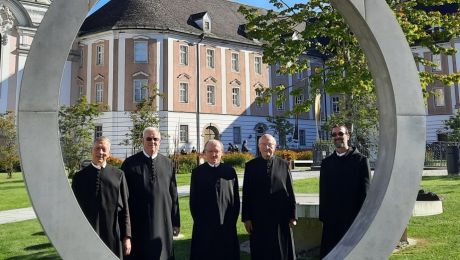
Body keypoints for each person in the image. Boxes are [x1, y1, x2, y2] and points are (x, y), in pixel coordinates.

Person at [121, 127, 180, 260]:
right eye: (148, 138)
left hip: (163, 223)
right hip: (138, 224)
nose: (152, 141)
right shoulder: (129, 164)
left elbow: (174, 195)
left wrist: (176, 222)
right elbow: (124, 199)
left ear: (160, 141)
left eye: (155, 139)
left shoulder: (168, 163)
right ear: (142, 141)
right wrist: (126, 231)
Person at [72, 136, 131, 258]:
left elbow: (125, 209)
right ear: (91, 151)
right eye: (97, 148)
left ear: (109, 153)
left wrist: (127, 237)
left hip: (113, 234)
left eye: (104, 149)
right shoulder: (79, 177)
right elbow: (74, 211)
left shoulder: (119, 175)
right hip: (87, 234)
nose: (100, 152)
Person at [319, 124, 371, 258]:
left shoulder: (361, 161)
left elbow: (365, 193)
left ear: (348, 136)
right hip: (332, 221)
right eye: (334, 135)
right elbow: (323, 193)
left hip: (352, 219)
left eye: (341, 134)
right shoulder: (327, 163)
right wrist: (324, 217)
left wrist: (362, 219)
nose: (337, 137)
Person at [242, 134, 297, 260]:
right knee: (261, 250)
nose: (267, 147)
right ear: (259, 147)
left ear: (275, 147)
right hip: (258, 218)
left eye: (270, 145)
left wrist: (293, 215)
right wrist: (247, 218)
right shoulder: (250, 166)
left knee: (281, 250)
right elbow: (247, 193)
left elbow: (290, 191)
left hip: (280, 216)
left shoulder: (283, 164)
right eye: (264, 145)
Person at [189, 140, 240, 260]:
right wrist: (200, 221)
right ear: (205, 153)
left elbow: (235, 199)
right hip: (204, 226)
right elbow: (193, 202)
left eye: (216, 151)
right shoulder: (197, 173)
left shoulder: (230, 172)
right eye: (210, 151)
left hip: (226, 224)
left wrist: (232, 220)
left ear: (222, 153)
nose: (213, 154)